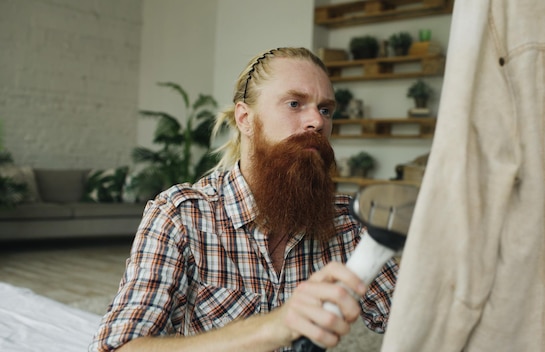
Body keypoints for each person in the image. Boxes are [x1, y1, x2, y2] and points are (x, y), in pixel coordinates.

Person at [89, 47, 398, 352]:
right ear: (244, 118)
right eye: (294, 103)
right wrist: (274, 327)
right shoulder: (181, 216)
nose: (317, 121)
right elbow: (117, 347)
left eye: (326, 109)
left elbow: (413, 319)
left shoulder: (347, 223)